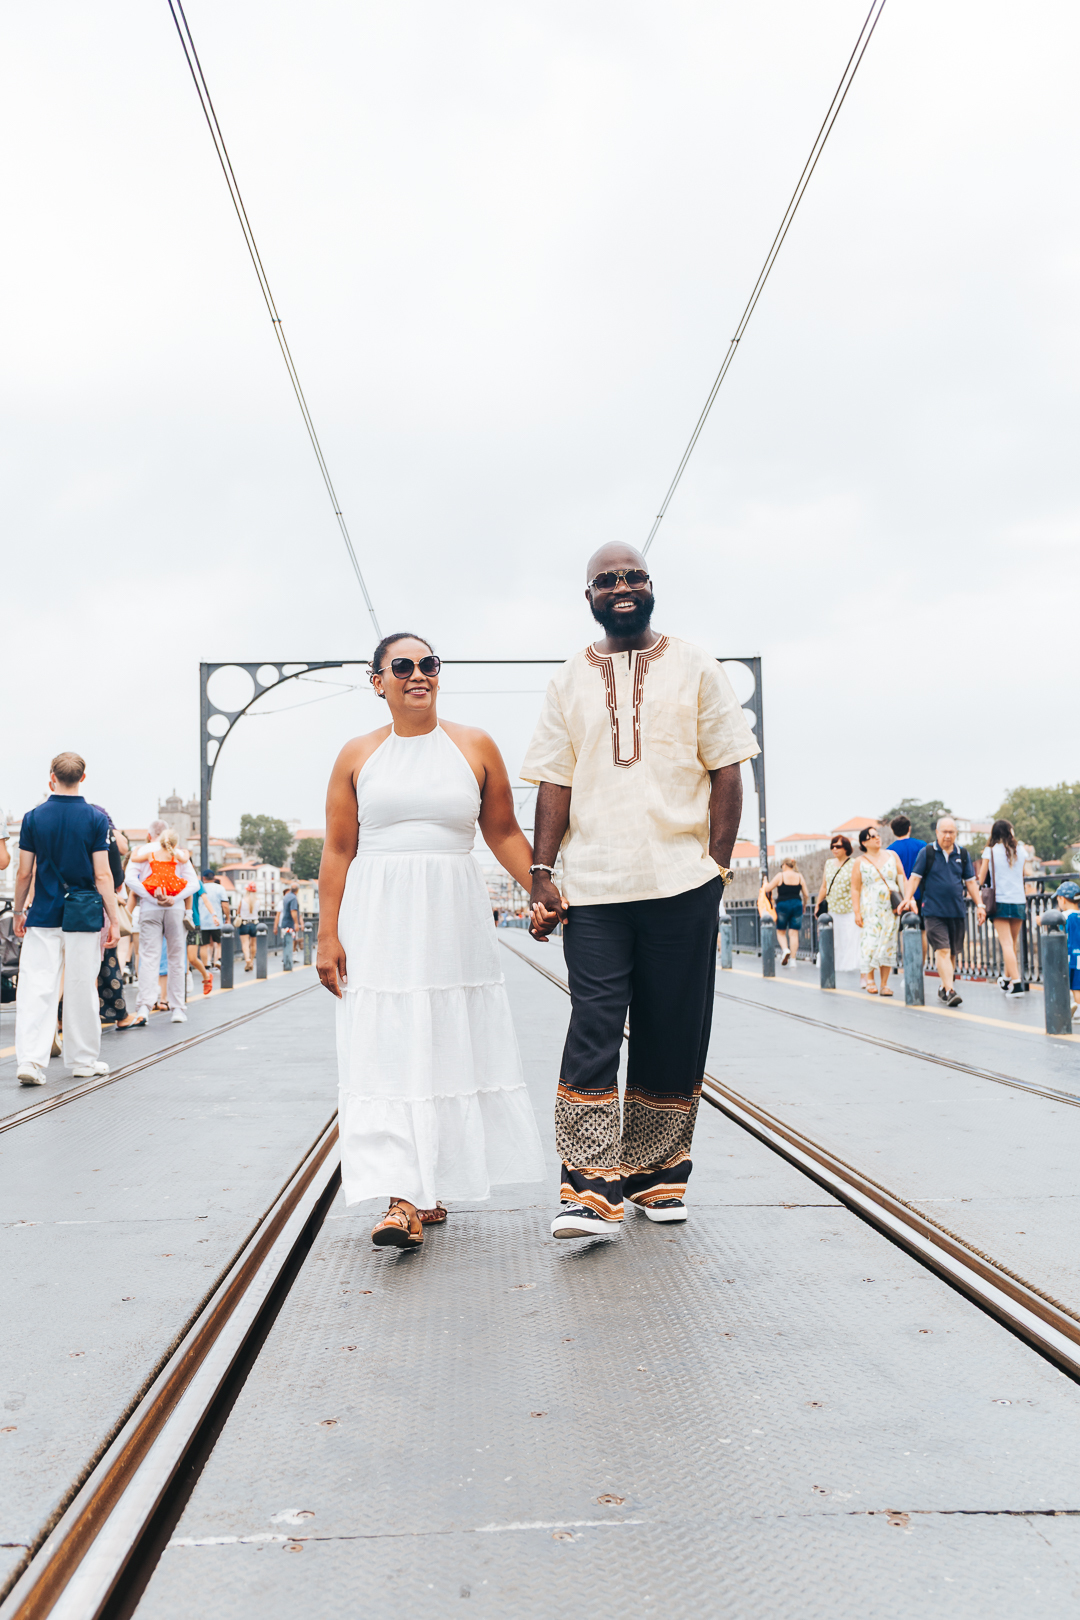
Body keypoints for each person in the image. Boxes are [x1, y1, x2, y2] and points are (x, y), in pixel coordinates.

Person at [524, 544, 758, 1238]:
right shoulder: (568, 679)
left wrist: (714, 868)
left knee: (672, 1027)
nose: (622, 587)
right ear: (589, 595)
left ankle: (657, 1178)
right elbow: (554, 782)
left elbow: (727, 770)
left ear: (650, 587)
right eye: (607, 580)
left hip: (681, 880)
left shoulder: (697, 666)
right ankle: (590, 1188)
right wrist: (542, 873)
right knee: (593, 1026)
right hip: (595, 886)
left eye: (633, 577)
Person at [318, 631, 545, 1250]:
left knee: (443, 1040)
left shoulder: (474, 746)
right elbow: (338, 849)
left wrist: (541, 890)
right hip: (380, 913)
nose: (419, 675)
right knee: (388, 1043)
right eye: (403, 666)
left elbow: (502, 833)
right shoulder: (356, 755)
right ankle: (401, 1196)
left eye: (429, 664)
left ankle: (428, 1184)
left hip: (451, 912)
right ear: (377, 681)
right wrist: (326, 933)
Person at [13, 752, 121, 1086]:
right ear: (83, 778)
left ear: (52, 777)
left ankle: (31, 1060)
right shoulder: (95, 818)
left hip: (43, 914)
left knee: (36, 987)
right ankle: (83, 1060)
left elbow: (24, 872)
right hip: (84, 915)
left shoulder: (33, 818)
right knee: (80, 986)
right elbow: (103, 876)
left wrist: (19, 911)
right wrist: (114, 919)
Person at [901, 816, 986, 1007]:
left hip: (956, 910)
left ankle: (944, 986)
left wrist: (980, 904)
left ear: (956, 833)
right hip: (933, 911)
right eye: (944, 832)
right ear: (937, 832)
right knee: (943, 950)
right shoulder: (927, 852)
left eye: (952, 832)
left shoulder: (962, 854)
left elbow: (971, 882)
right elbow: (914, 878)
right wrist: (908, 898)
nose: (948, 836)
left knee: (953, 953)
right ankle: (950, 990)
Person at [127, 824, 197, 1023]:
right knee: (176, 957)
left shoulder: (143, 851)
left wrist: (149, 896)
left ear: (150, 835)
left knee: (149, 957)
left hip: (150, 908)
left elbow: (130, 879)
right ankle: (178, 1008)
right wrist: (174, 899)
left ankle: (144, 1008)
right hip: (175, 909)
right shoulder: (179, 853)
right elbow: (193, 883)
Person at [850, 826, 904, 996]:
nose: (877, 838)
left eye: (877, 835)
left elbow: (901, 876)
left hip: (890, 907)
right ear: (864, 842)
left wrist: (907, 899)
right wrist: (857, 911)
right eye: (872, 836)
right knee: (871, 942)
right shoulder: (860, 861)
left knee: (888, 943)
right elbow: (855, 888)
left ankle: (885, 984)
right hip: (870, 908)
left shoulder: (892, 855)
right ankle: (870, 978)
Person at [976, 819, 1028, 995]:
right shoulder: (1021, 850)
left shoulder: (990, 852)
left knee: (1006, 944)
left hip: (999, 901)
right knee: (1012, 944)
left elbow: (981, 879)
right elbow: (1022, 874)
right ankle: (1007, 980)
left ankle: (1017, 984)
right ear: (1010, 832)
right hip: (1019, 900)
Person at [888, 815, 927, 966]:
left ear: (893, 831)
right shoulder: (922, 845)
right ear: (909, 828)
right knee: (922, 931)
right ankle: (921, 966)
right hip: (921, 894)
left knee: (906, 931)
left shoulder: (890, 851)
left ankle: (908, 967)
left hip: (901, 897)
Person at [816, 836, 857, 972]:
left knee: (849, 937)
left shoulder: (854, 863)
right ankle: (834, 964)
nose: (834, 849)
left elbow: (857, 886)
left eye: (838, 846)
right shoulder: (829, 863)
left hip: (849, 906)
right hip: (833, 906)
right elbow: (824, 886)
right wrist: (818, 903)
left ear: (846, 848)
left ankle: (848, 965)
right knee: (835, 938)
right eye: (832, 846)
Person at [765, 858, 809, 966]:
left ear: (784, 865)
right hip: (797, 904)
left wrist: (765, 882)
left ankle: (785, 950)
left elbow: (768, 888)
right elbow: (806, 894)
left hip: (783, 905)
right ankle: (793, 960)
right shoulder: (799, 876)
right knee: (794, 934)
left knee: (781, 932)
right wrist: (804, 905)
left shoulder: (781, 876)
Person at [197, 868, 231, 968]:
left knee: (204, 945)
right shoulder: (220, 888)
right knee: (218, 942)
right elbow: (225, 905)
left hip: (202, 921)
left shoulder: (200, 887)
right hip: (217, 920)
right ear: (213, 878)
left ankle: (206, 963)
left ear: (203, 878)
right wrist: (228, 917)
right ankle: (217, 960)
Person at [1057, 881, 1080, 1017]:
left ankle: (1077, 1008)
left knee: (1074, 986)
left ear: (1063, 899)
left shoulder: (1065, 916)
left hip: (1071, 957)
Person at [275, 884, 302, 969]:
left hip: (284, 923)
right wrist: (296, 923)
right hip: (290, 924)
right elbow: (293, 911)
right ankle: (289, 960)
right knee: (292, 941)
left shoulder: (286, 897)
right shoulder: (293, 898)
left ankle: (286, 959)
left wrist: (275, 926)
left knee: (286, 942)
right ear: (297, 891)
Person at [236, 884, 258, 971]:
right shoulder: (258, 901)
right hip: (255, 923)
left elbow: (238, 911)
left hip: (244, 923)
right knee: (253, 944)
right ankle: (252, 960)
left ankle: (247, 959)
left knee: (245, 944)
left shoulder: (243, 900)